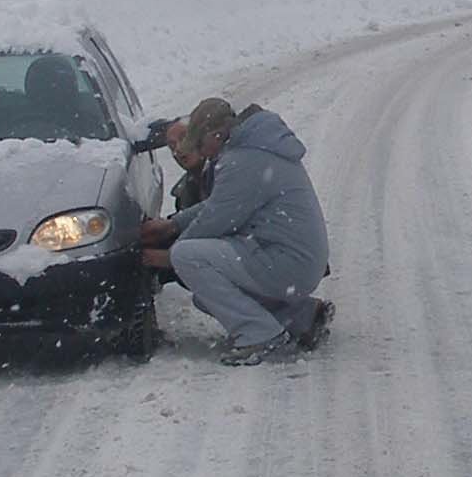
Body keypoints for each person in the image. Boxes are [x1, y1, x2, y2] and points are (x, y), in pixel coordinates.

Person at [138, 96, 333, 364]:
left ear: (216, 134)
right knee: (206, 298)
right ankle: (301, 317)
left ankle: (260, 336)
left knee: (188, 257)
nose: (202, 152)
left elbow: (216, 220)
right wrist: (173, 224)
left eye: (201, 144)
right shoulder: (256, 148)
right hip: (295, 259)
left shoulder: (242, 159)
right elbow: (221, 204)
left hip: (288, 262)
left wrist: (167, 257)